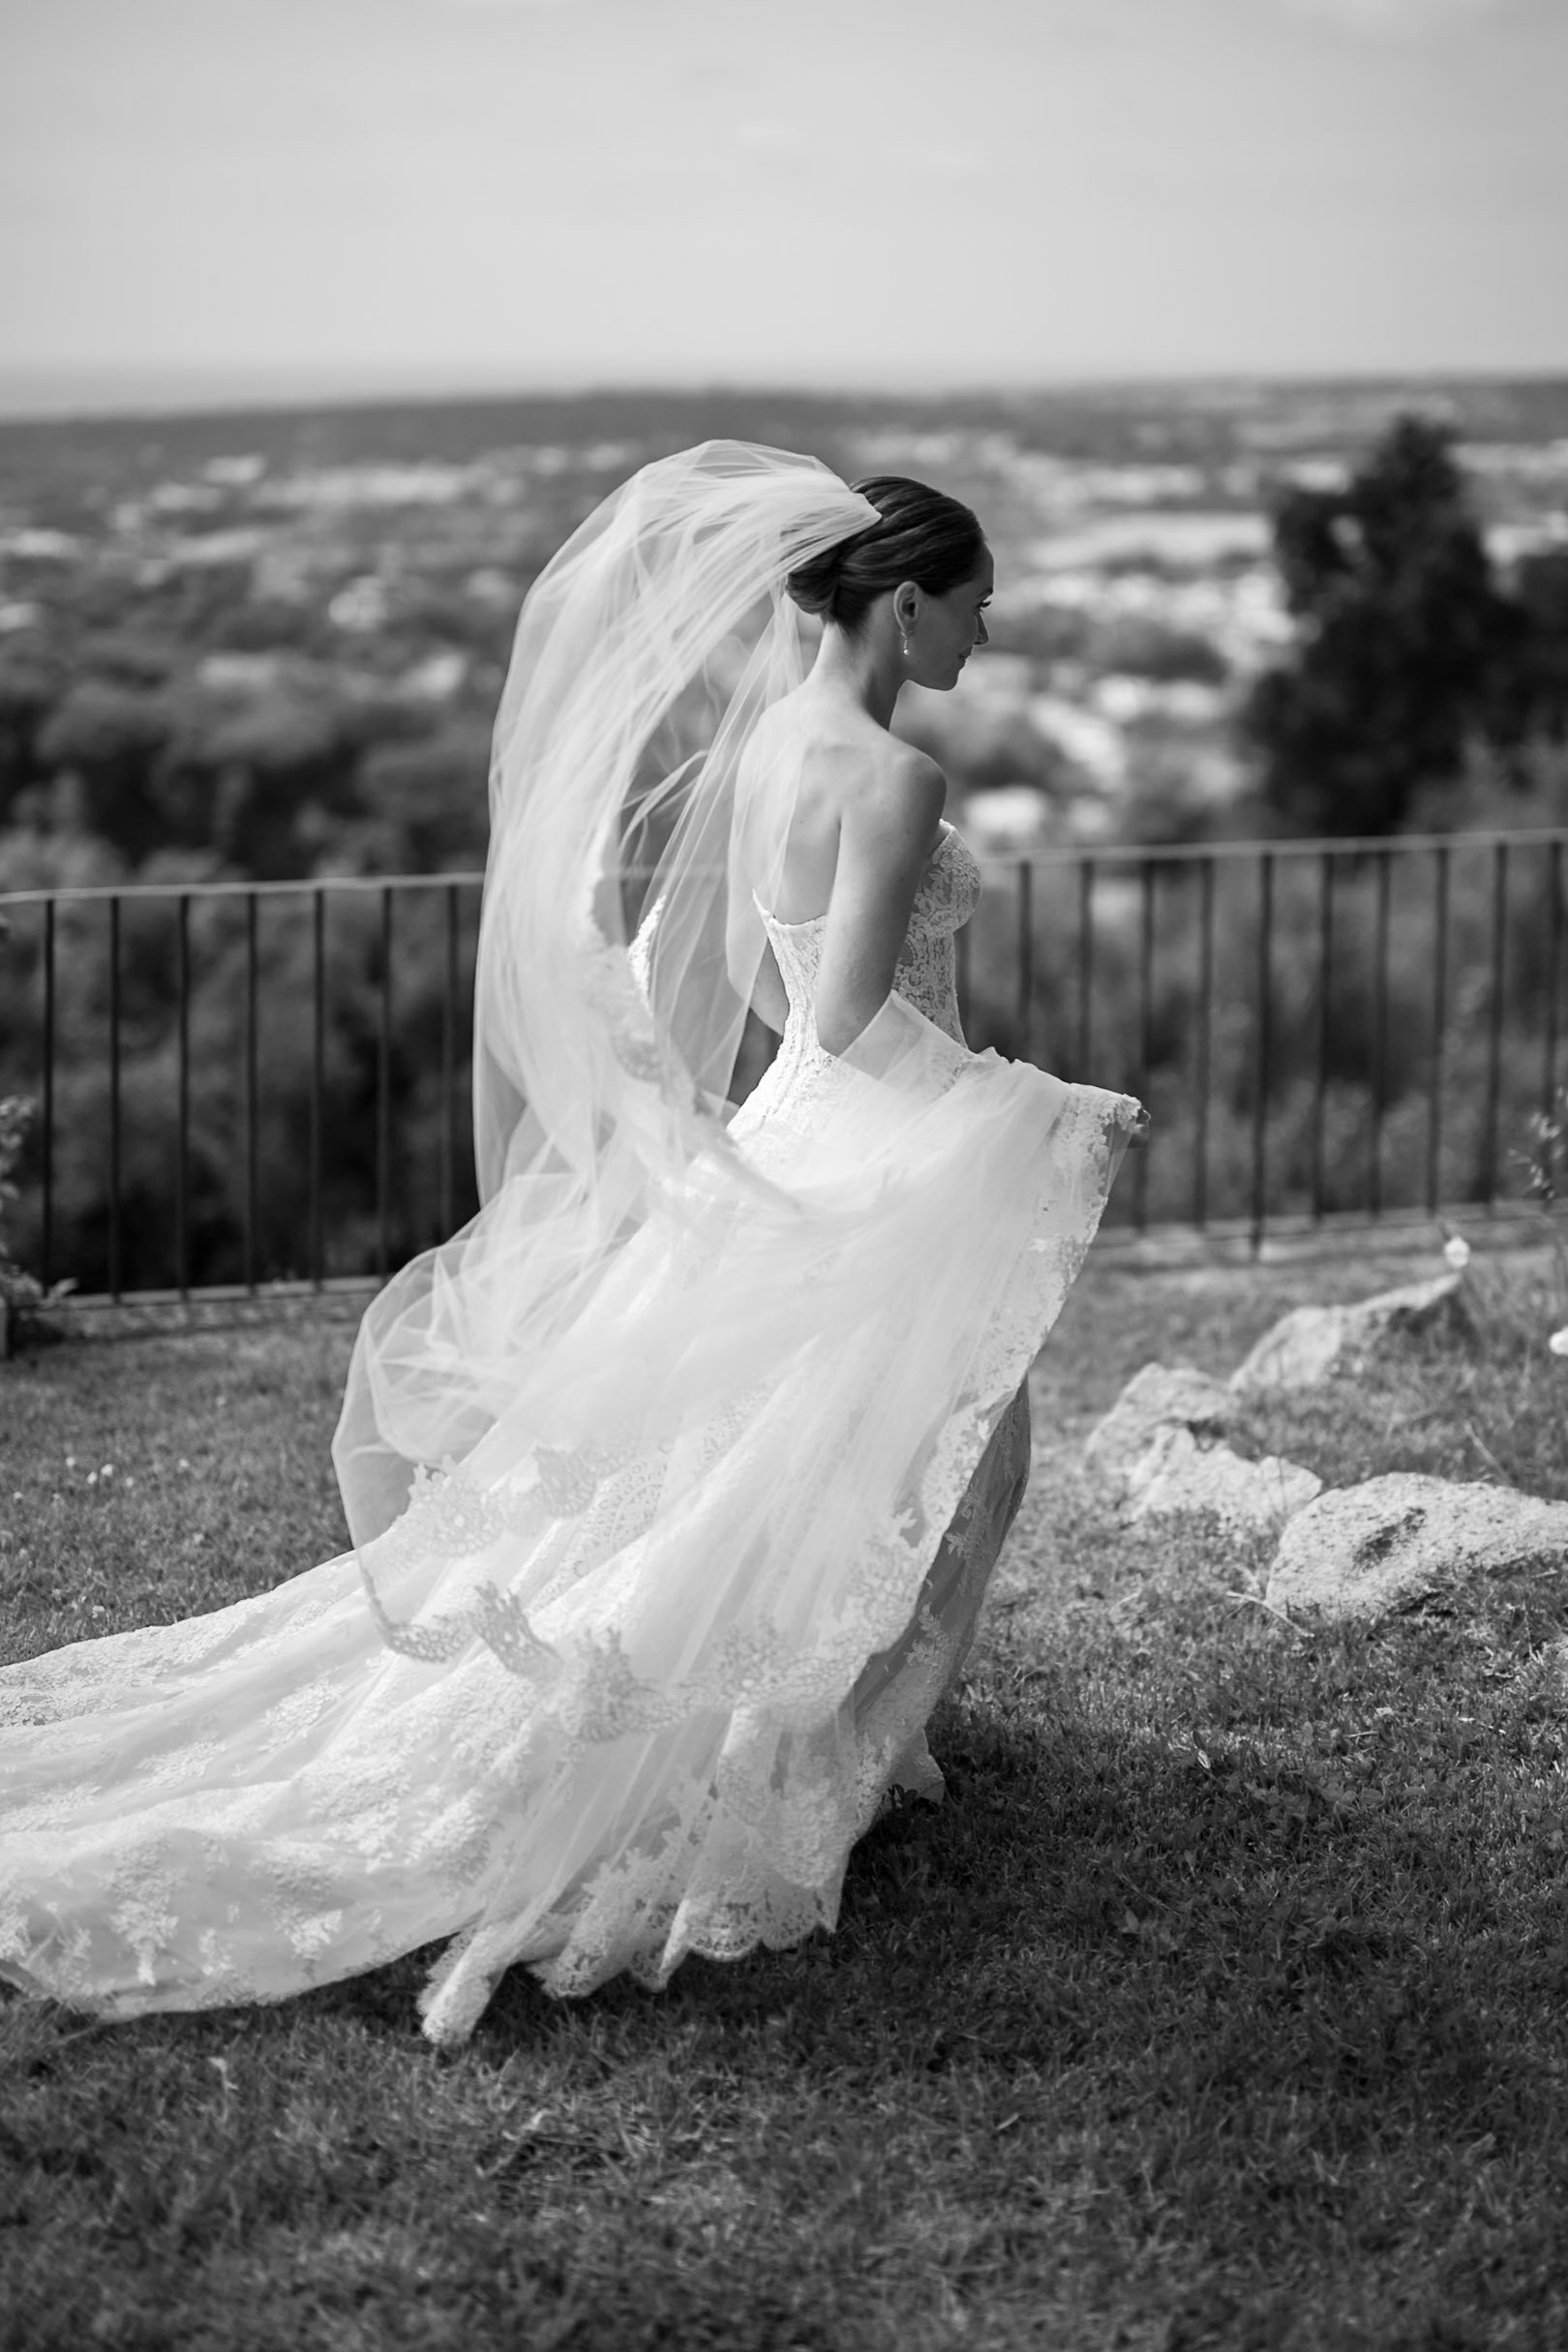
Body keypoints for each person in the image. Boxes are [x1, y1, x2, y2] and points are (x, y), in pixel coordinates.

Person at [0, 443, 1142, 2045]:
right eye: (975, 605)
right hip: (872, 1144)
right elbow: (848, 1015)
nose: (986, 636)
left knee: (792, 1477)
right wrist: (1043, 1104)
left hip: (799, 1134)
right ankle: (825, 1759)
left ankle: (826, 1734)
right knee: (945, 1463)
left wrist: (796, 1119)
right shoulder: (897, 778)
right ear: (902, 600)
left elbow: (771, 997)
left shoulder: (767, 753)